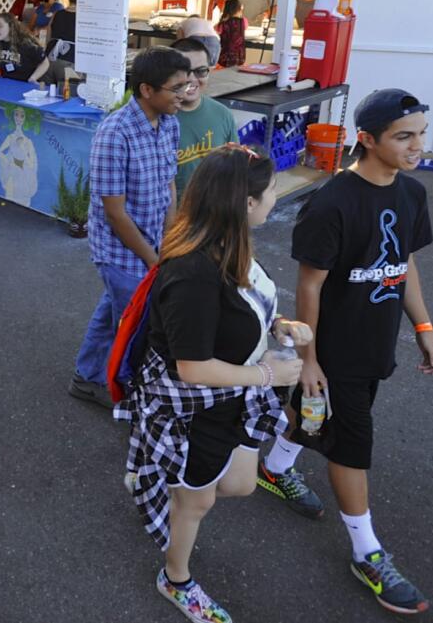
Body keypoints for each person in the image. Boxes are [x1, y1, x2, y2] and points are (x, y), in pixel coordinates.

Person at [259, 88, 433, 615]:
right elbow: (310, 287)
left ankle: (273, 467)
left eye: (420, 135)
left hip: (376, 340)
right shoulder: (333, 201)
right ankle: (367, 553)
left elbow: (402, 262)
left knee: (316, 417)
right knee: (351, 443)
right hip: (333, 349)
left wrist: (424, 325)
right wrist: (310, 358)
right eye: (403, 136)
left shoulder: (411, 195)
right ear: (367, 139)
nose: (415, 146)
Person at [118, 144, 309, 623]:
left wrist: (279, 326)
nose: (275, 198)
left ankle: (163, 480)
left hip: (235, 394)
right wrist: (268, 373)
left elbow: (238, 313)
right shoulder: (193, 272)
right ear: (245, 202)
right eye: (271, 191)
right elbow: (192, 368)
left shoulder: (231, 243)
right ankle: (175, 578)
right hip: (195, 406)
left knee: (241, 485)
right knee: (199, 499)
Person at [69, 47, 190, 404]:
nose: (184, 94)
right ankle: (129, 391)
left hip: (154, 245)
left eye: (187, 84)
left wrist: (170, 239)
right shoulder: (114, 133)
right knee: (140, 326)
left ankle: (86, 377)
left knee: (115, 311)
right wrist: (154, 260)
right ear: (146, 90)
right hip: (121, 251)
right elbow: (115, 214)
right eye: (176, 87)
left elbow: (168, 183)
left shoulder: (170, 122)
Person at [170, 38, 239, 197]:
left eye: (200, 71)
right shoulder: (159, 119)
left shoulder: (223, 115)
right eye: (184, 71)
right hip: (170, 217)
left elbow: (234, 170)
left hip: (213, 214)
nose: (192, 79)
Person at [0, 13, 52, 84]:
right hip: (7, 85)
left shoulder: (26, 44)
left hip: (24, 86)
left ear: (11, 27)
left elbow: (45, 62)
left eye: (0, 26)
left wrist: (33, 78)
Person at [215, 0, 247, 68]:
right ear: (239, 9)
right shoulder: (243, 21)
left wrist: (223, 19)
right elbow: (246, 27)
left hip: (225, 56)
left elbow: (215, 29)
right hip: (239, 56)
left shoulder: (223, 23)